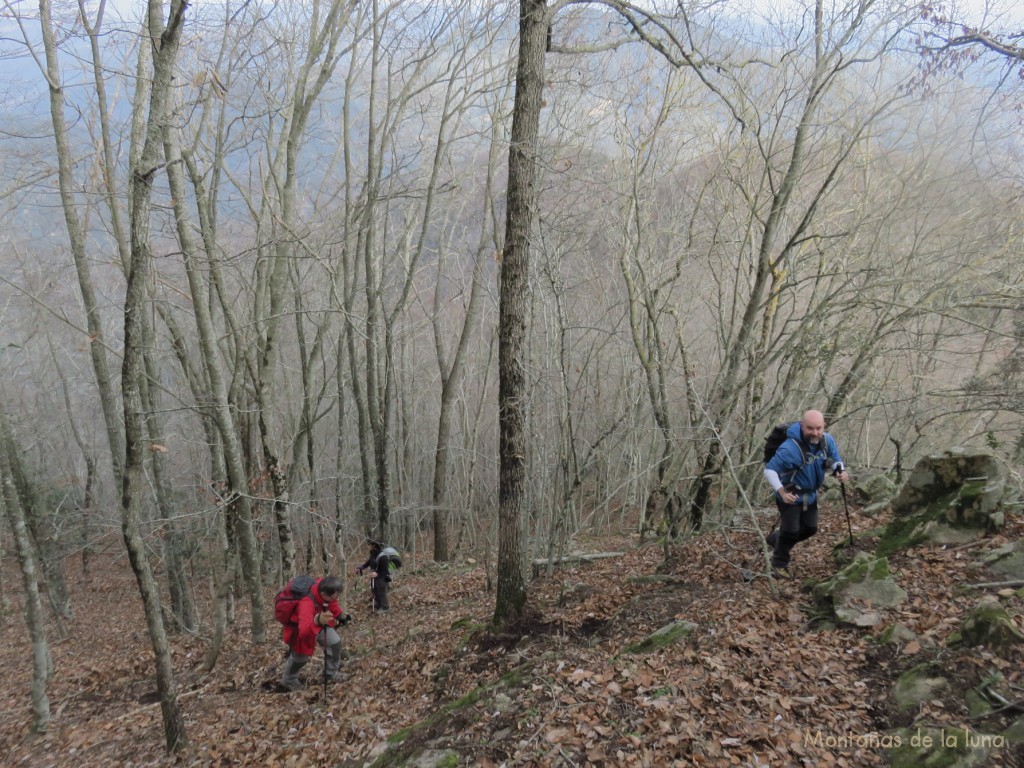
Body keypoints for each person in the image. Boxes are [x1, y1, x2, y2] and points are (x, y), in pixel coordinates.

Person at [763, 410, 850, 578]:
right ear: (802, 426)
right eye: (810, 428)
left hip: (810, 495)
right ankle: (779, 564)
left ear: (824, 426)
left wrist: (840, 471)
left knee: (810, 528)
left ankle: (776, 539)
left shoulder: (827, 441)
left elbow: (835, 459)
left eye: (819, 428)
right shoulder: (790, 448)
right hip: (791, 495)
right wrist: (781, 492)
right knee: (791, 531)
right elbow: (770, 470)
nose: (815, 432)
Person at [279, 575, 348, 691]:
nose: (336, 598)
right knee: (301, 656)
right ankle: (289, 680)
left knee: (335, 642)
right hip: (300, 627)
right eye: (334, 596)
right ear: (324, 595)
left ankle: (330, 674)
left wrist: (340, 615)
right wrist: (317, 620)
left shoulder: (324, 586)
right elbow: (304, 631)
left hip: (320, 618)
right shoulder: (306, 603)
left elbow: (331, 602)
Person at [356, 540, 402, 613]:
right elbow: (370, 561)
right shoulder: (373, 553)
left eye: (370, 545)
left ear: (374, 546)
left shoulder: (383, 557)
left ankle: (385, 607)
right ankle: (378, 604)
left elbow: (385, 571)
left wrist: (377, 573)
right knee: (374, 589)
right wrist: (363, 567)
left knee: (381, 591)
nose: (368, 547)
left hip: (382, 576)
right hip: (374, 574)